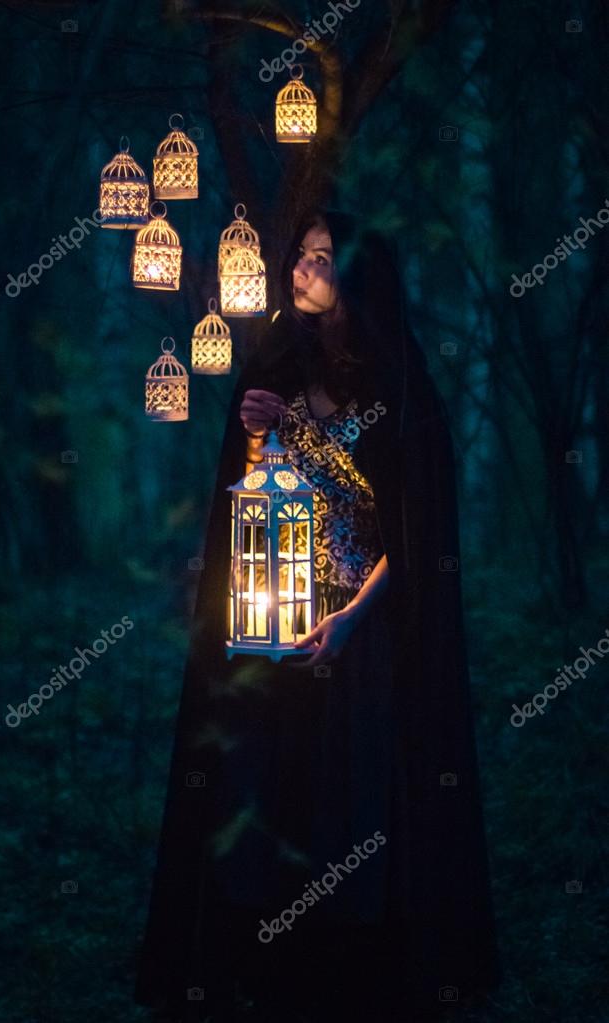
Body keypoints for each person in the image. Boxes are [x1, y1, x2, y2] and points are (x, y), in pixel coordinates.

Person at [134, 209, 502, 1023]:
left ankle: (356, 972)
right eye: (298, 255)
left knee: (358, 794)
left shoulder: (403, 393)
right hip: (278, 620)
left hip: (364, 634)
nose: (299, 269)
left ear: (359, 278)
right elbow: (256, 500)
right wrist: (258, 434)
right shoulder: (276, 368)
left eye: (320, 258)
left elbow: (416, 537)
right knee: (273, 782)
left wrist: (350, 620)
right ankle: (271, 963)